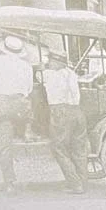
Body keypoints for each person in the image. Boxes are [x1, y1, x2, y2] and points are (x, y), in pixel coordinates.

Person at [0, 34, 35, 191]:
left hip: (1, 104)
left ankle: (9, 182)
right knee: (26, 110)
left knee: (4, 143)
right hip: (19, 106)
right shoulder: (26, 65)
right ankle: (27, 131)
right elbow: (29, 89)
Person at [41, 47, 87, 195]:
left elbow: (39, 76)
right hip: (77, 111)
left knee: (59, 148)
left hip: (60, 112)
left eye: (50, 60)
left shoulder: (49, 75)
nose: (49, 63)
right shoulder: (71, 74)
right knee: (78, 148)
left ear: (55, 62)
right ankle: (83, 181)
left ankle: (75, 184)